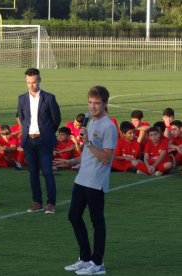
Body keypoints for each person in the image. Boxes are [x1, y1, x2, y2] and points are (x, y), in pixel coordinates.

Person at [55, 86, 117, 275]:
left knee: (97, 221)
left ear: (105, 104)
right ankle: (85, 258)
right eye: (90, 102)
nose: (93, 107)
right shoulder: (89, 122)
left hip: (96, 181)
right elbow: (88, 154)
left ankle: (98, 264)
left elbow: (107, 158)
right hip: (82, 178)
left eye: (97, 103)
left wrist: (89, 143)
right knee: (73, 216)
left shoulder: (109, 127)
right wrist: (71, 160)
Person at [17, 68, 61, 214]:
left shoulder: (49, 98)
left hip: (44, 141)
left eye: (34, 82)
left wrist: (47, 133)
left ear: (39, 80)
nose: (31, 85)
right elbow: (22, 118)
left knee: (47, 172)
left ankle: (51, 203)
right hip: (29, 141)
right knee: (33, 173)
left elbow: (56, 119)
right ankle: (37, 202)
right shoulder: (22, 98)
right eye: (28, 83)